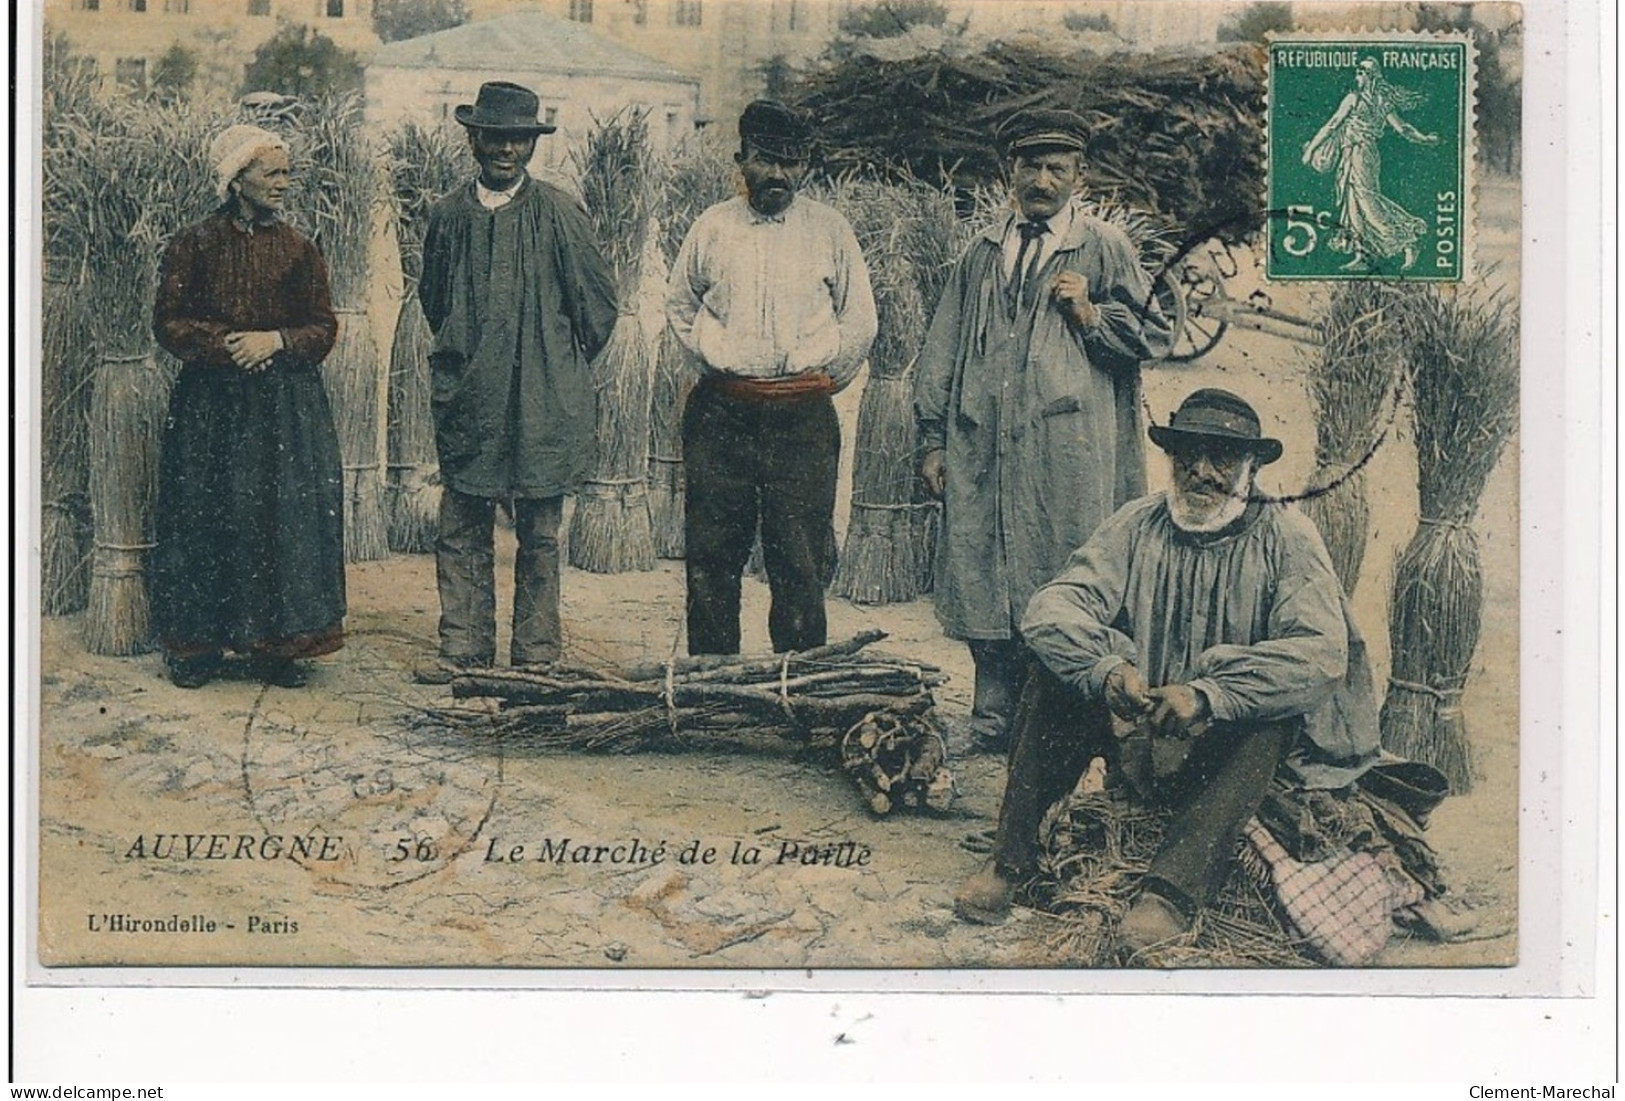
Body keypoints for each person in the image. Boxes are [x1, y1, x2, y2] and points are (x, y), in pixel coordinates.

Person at [952, 388, 1382, 950]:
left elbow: (1320, 653)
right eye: (1187, 455)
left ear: (1252, 466)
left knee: (1269, 720)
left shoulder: (1287, 537)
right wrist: (1107, 671)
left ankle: (1169, 894)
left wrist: (1210, 695)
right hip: (1141, 728)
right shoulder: (1137, 523)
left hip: (1227, 748)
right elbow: (1053, 609)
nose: (1202, 472)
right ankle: (1011, 861)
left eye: (1222, 457)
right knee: (1055, 678)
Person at [914, 108, 1174, 752]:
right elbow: (943, 347)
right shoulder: (983, 252)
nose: (1042, 179)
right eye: (1030, 165)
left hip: (1068, 454)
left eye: (1057, 167)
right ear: (1012, 171)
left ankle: (1055, 726)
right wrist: (933, 439)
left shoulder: (1102, 247)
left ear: (1078, 176)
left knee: (1064, 573)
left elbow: (1157, 332)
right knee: (982, 570)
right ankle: (992, 717)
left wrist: (1090, 311)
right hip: (983, 446)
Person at [415, 81, 619, 683]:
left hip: (542, 398)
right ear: (473, 138)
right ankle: (464, 651)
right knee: (461, 526)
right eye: (495, 137)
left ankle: (535, 656)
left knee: (540, 533)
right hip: (470, 396)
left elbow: (598, 309)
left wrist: (552, 361)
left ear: (532, 143)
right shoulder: (449, 215)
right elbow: (435, 299)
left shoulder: (558, 212)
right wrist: (467, 351)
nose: (506, 150)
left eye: (519, 139)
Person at [666, 99, 877, 655]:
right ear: (742, 160)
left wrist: (820, 381)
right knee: (713, 556)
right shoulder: (711, 227)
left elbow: (859, 320)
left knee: (799, 557)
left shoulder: (829, 231)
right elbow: (680, 306)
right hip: (722, 414)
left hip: (801, 419)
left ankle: (799, 690)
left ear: (806, 165)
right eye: (765, 159)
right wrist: (719, 361)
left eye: (791, 161)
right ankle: (714, 686)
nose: (778, 174)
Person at [151, 123, 346, 690]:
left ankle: (275, 646)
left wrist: (277, 342)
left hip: (283, 409)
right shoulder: (192, 245)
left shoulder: (300, 250)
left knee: (276, 519)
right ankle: (197, 647)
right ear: (237, 181)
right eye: (272, 173)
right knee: (205, 514)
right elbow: (168, 322)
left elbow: (322, 327)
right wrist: (228, 345)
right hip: (210, 407)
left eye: (287, 173)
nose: (285, 183)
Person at [1302, 57, 1440, 272]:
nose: (1358, 73)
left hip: (1363, 153)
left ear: (1373, 76)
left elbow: (1402, 127)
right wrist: (1311, 149)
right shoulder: (1359, 99)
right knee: (1353, 204)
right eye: (1358, 69)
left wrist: (1423, 139)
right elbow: (1333, 125)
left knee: (1367, 202)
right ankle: (1362, 255)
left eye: (1363, 70)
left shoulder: (1369, 101)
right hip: (1351, 154)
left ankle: (1408, 239)